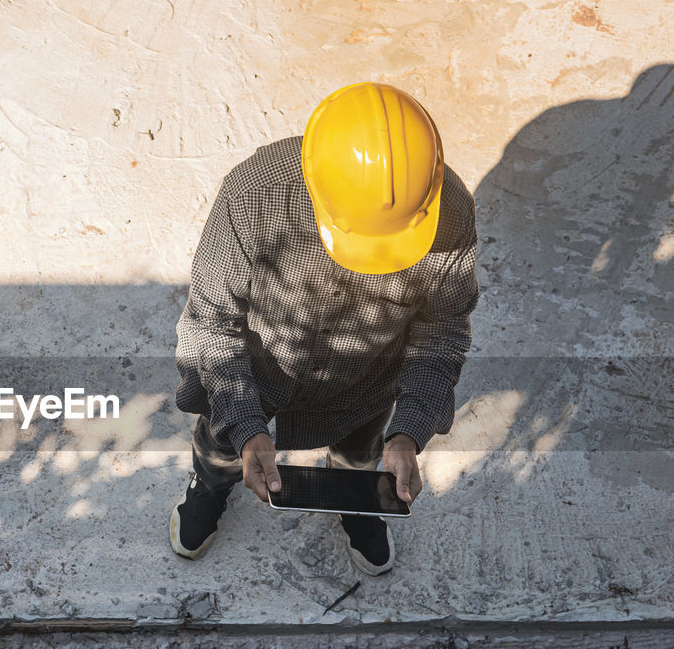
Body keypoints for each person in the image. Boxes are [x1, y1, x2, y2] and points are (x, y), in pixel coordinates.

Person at [170, 82, 480, 576]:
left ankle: (356, 501)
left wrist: (408, 433)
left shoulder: (452, 212)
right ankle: (209, 487)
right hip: (260, 365)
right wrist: (248, 427)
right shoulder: (252, 197)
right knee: (222, 446)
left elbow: (441, 330)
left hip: (366, 378)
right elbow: (212, 325)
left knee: (361, 451)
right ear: (315, 186)